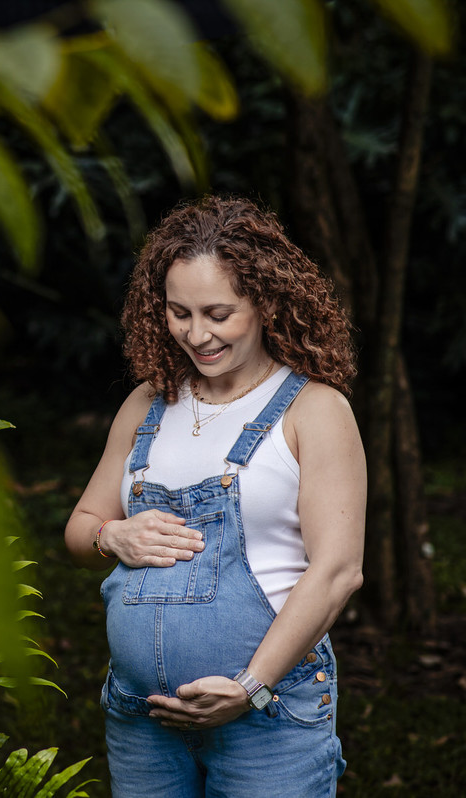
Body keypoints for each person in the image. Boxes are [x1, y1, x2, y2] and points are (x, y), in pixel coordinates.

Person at [63, 195, 366, 797]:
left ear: (265, 302)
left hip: (268, 718)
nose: (196, 334)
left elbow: (337, 571)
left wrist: (251, 686)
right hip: (141, 717)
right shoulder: (147, 402)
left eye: (218, 314)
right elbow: (80, 527)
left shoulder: (314, 410)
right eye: (179, 312)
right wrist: (110, 534)